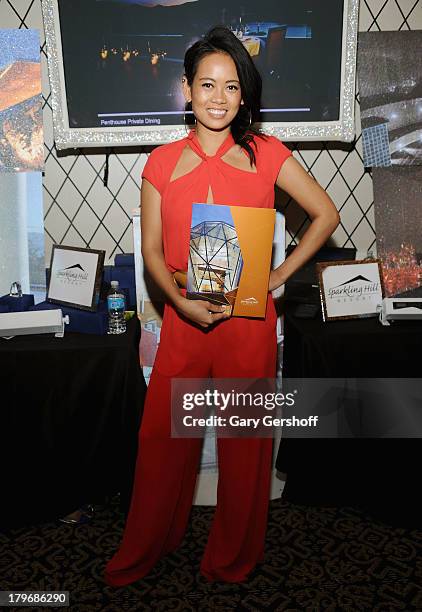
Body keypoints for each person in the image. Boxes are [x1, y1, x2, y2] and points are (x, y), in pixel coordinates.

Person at [104, 25, 339, 587]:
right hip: (185, 319)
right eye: (206, 84)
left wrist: (279, 275)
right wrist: (180, 307)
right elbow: (155, 253)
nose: (217, 97)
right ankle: (146, 547)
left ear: (243, 94)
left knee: (245, 447)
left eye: (231, 86)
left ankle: (233, 558)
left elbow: (326, 215)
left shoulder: (268, 154)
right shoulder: (161, 163)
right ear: (186, 89)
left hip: (249, 320)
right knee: (161, 438)